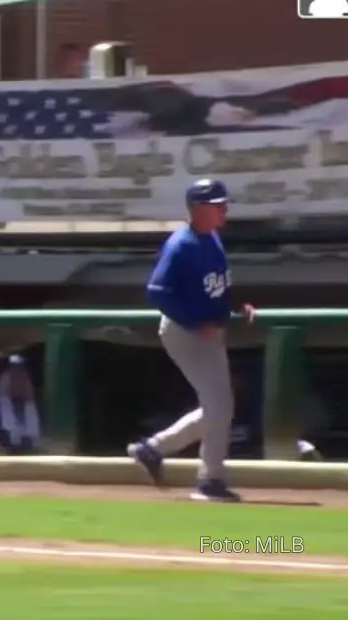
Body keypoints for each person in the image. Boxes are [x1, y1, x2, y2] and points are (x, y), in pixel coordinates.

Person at [127, 179, 256, 502]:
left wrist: (236, 304)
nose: (224, 209)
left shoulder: (211, 236)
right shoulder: (181, 244)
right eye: (217, 205)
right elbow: (157, 292)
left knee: (218, 407)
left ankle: (153, 449)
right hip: (185, 335)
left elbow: (215, 286)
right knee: (220, 406)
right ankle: (210, 480)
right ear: (198, 209)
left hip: (207, 332)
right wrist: (194, 323)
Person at [0, 355, 42, 455]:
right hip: (10, 406)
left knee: (30, 425)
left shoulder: (25, 377)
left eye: (19, 365)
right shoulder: (5, 377)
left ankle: (28, 446)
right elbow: (4, 394)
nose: (17, 367)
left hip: (23, 406)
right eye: (15, 365)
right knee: (12, 428)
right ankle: (15, 445)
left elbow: (28, 394)